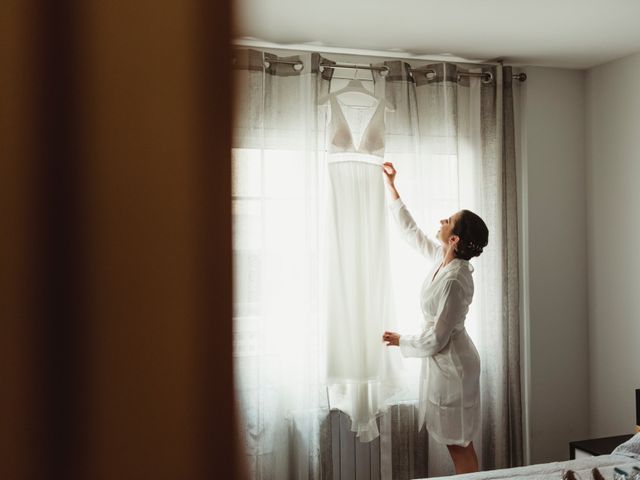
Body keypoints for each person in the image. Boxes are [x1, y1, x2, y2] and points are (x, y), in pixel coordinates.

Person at [380, 162, 488, 474]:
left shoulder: (454, 280)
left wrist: (402, 340)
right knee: (459, 442)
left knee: (460, 442)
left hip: (455, 366)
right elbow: (412, 233)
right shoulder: (443, 263)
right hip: (447, 363)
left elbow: (437, 337)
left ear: (455, 239)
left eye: (449, 221)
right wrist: (392, 188)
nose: (442, 221)